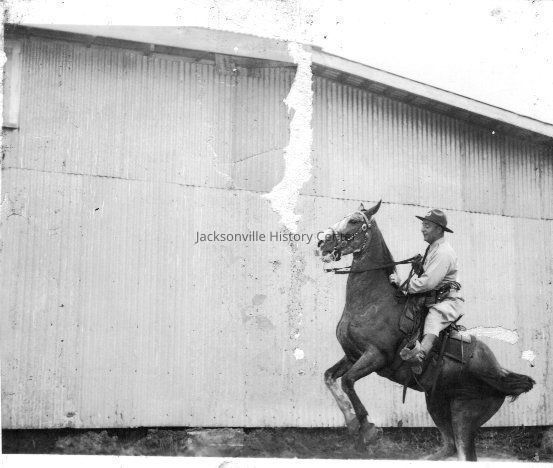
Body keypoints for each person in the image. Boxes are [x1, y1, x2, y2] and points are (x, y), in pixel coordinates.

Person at [389, 209, 464, 372]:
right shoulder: (433, 248)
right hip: (433, 298)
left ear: (439, 229)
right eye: (423, 225)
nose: (422, 229)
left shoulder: (443, 252)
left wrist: (403, 284)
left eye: (427, 226)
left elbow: (428, 283)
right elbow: (429, 277)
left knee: (433, 318)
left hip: (447, 302)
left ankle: (420, 355)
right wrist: (420, 268)